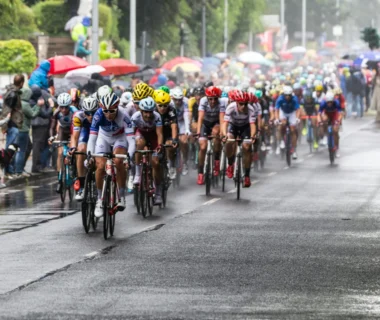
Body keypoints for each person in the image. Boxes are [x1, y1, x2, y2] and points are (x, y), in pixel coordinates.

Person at [87, 89, 134, 216]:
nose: (108, 114)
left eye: (111, 111)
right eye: (105, 111)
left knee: (118, 161)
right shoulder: (98, 115)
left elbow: (131, 140)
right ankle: (99, 200)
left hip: (120, 138)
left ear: (117, 108)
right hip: (104, 138)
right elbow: (92, 139)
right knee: (100, 166)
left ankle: (122, 196)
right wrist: (89, 155)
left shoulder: (124, 115)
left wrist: (128, 157)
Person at [131, 97, 164, 205]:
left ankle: (158, 192)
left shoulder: (157, 116)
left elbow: (159, 134)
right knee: (139, 144)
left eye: (150, 112)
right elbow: (131, 134)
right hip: (141, 135)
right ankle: (137, 173)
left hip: (153, 137)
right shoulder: (135, 117)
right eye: (146, 112)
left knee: (156, 163)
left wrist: (159, 146)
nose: (148, 115)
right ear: (141, 111)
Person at [222, 90, 256, 187]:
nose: (243, 106)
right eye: (241, 104)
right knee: (229, 141)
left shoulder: (250, 109)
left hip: (245, 127)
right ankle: (230, 164)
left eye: (245, 104)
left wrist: (253, 136)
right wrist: (224, 134)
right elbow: (225, 123)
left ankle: (247, 176)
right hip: (233, 126)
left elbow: (252, 125)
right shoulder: (231, 107)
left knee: (247, 147)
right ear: (236, 103)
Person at [14, 88, 50, 178]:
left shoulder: (21, 103)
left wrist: (37, 106)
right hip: (23, 129)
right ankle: (18, 170)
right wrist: (39, 105)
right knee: (22, 150)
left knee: (24, 148)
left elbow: (31, 111)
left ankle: (18, 168)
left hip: (20, 129)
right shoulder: (25, 104)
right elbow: (33, 115)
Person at [196, 86, 227, 185]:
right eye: (210, 99)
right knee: (203, 146)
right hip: (205, 123)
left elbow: (222, 119)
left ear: (218, 98)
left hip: (216, 123)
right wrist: (198, 131)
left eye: (215, 99)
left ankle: (216, 161)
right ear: (207, 98)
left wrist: (222, 132)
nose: (213, 101)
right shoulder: (203, 101)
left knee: (217, 135)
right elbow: (200, 118)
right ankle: (200, 172)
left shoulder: (222, 102)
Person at [69, 96, 98, 200]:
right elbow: (75, 136)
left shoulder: (101, 114)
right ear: (83, 111)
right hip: (86, 132)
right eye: (87, 113)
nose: (90, 116)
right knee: (80, 150)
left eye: (93, 113)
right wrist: (73, 148)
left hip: (99, 133)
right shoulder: (78, 115)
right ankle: (81, 186)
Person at [49, 93, 78, 192]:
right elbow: (52, 127)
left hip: (72, 131)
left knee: (72, 151)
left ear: (69, 105)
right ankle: (59, 179)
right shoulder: (57, 112)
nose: (64, 110)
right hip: (62, 131)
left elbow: (78, 129)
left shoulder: (75, 112)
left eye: (66, 107)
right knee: (60, 153)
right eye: (62, 107)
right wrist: (52, 137)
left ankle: (74, 170)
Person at [2, 74, 25, 178]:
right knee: (10, 149)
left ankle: (9, 171)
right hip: (12, 124)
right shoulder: (13, 94)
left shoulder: (13, 92)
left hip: (12, 124)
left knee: (11, 148)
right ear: (21, 83)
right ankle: (8, 171)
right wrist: (5, 126)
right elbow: (8, 111)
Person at [154, 89, 178, 180]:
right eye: (160, 105)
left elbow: (174, 126)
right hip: (156, 133)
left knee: (169, 145)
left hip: (168, 132)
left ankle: (171, 165)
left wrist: (174, 139)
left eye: (165, 106)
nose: (163, 108)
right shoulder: (153, 110)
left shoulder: (171, 110)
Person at [30, 85, 53, 173]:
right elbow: (45, 114)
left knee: (38, 145)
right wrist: (51, 106)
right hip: (40, 124)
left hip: (37, 125)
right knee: (37, 146)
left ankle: (37, 165)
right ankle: (36, 166)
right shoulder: (35, 102)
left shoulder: (33, 100)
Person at [275, 86, 300, 160]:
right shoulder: (280, 99)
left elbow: (298, 109)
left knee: (293, 130)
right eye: (286, 95)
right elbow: (276, 109)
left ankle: (294, 150)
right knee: (282, 124)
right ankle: (281, 141)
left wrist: (297, 118)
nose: (288, 97)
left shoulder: (294, 98)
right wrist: (276, 119)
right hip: (283, 112)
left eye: (289, 95)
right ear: (284, 94)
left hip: (292, 113)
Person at [170, 87, 190, 176]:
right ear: (172, 98)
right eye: (176, 100)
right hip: (172, 122)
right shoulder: (169, 103)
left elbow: (186, 116)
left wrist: (187, 129)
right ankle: (170, 163)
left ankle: (185, 162)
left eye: (179, 100)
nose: (178, 102)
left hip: (181, 121)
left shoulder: (185, 102)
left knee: (184, 141)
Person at [318, 91, 342, 157]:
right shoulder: (323, 103)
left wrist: (338, 121)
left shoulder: (336, 102)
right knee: (324, 120)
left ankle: (337, 148)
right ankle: (326, 134)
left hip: (334, 114)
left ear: (333, 101)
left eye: (330, 102)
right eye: (328, 102)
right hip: (327, 114)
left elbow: (340, 114)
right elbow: (319, 114)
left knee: (335, 131)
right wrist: (320, 122)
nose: (329, 103)